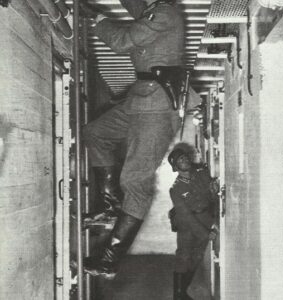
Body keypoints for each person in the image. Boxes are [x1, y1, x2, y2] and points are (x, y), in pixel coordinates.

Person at [81, 0, 185, 279]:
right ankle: (110, 205)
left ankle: (108, 261)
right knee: (96, 133)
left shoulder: (165, 11)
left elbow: (124, 41)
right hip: (140, 99)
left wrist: (99, 19)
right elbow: (135, 5)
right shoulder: (152, 10)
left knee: (135, 182)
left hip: (158, 106)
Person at [168, 147, 217, 300]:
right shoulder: (176, 189)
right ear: (175, 167)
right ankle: (178, 295)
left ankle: (183, 292)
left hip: (205, 219)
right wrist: (204, 233)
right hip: (186, 225)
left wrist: (214, 192)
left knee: (196, 257)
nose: (186, 160)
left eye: (185, 157)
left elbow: (211, 195)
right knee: (183, 257)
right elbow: (186, 216)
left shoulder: (201, 173)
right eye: (180, 160)